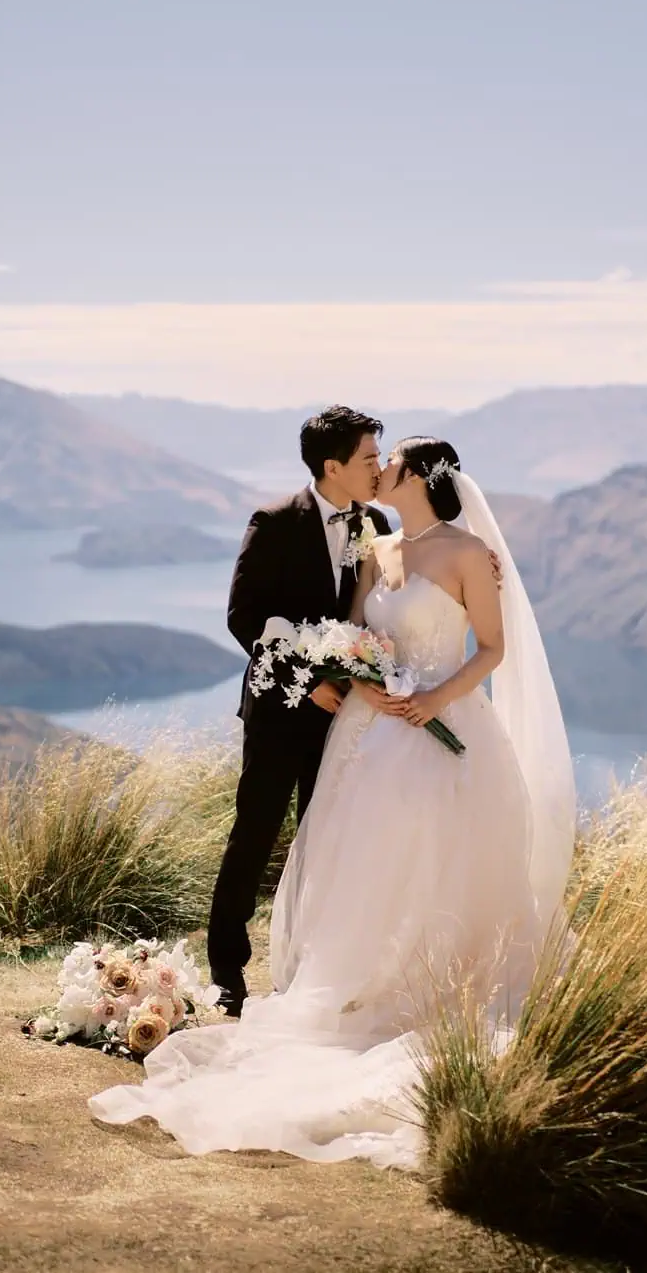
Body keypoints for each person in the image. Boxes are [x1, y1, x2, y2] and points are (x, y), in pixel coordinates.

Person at [91, 436, 574, 1169]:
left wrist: (433, 697)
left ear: (421, 477)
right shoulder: (377, 549)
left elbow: (492, 649)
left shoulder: (469, 553)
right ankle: (354, 983)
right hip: (370, 730)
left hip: (441, 726)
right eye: (373, 457)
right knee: (360, 859)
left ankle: (433, 979)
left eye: (393, 461)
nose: (380, 468)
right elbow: (355, 632)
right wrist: (357, 676)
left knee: (438, 861)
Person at [204, 405, 394, 1015]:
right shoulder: (277, 521)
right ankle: (227, 974)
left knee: (325, 842)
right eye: (369, 459)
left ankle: (309, 971)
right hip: (282, 710)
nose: (378, 468)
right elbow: (244, 617)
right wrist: (311, 680)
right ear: (332, 465)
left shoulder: (377, 521)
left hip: (346, 720)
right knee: (255, 837)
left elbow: (392, 595)